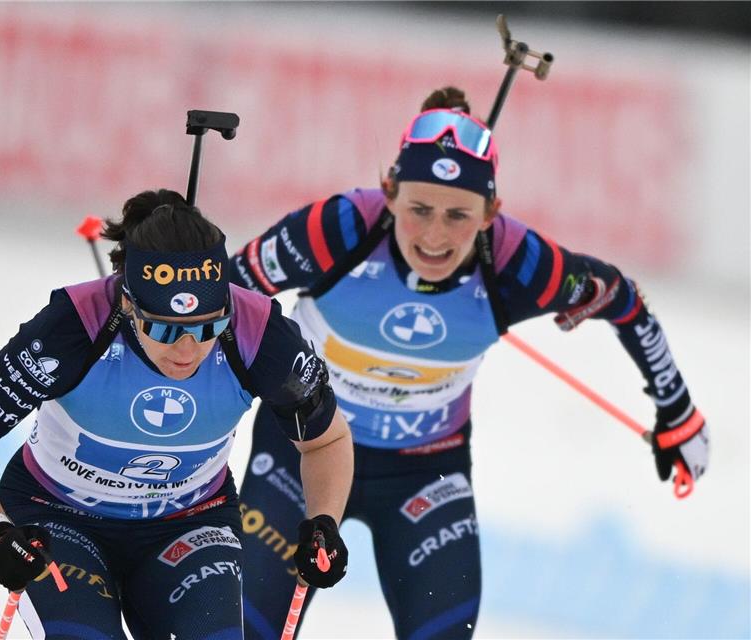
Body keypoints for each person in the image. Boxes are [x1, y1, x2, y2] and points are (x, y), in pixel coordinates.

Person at [228, 87, 708, 639]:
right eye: (419, 210)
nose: (435, 236)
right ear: (389, 192)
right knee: (247, 632)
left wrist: (679, 412)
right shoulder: (340, 229)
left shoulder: (517, 263)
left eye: (459, 215)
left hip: (423, 473)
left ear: (491, 213)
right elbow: (219, 298)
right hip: (300, 458)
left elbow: (623, 300)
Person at [0, 189, 354, 639]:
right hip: (59, 516)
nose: (189, 350)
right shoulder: (73, 327)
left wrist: (323, 522)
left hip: (191, 521)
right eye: (167, 328)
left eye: (209, 326)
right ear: (129, 303)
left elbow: (326, 440)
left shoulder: (258, 332)